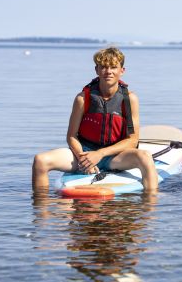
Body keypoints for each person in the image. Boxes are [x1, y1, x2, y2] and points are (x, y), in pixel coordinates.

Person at [32, 47, 158, 192]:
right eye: (103, 67)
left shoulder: (129, 99)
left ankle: (150, 205)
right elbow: (71, 136)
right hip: (84, 152)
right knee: (40, 161)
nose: (108, 71)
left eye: (113, 67)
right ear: (97, 70)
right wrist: (83, 158)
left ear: (122, 70)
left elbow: (132, 140)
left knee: (145, 157)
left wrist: (100, 154)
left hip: (114, 155)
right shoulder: (82, 98)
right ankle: (40, 210)